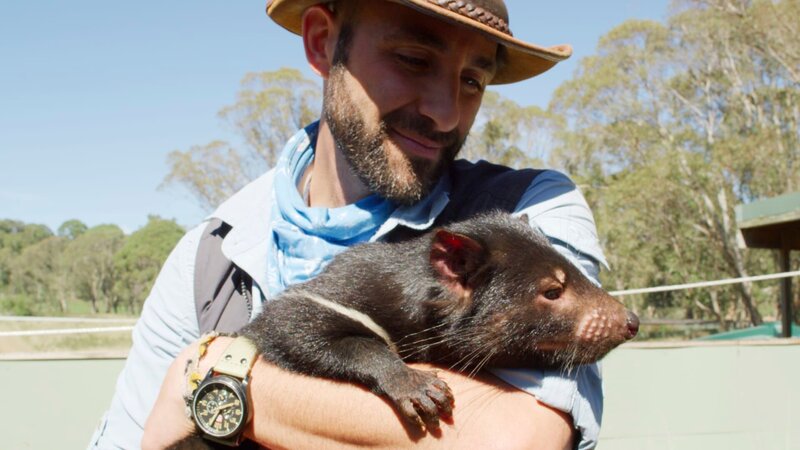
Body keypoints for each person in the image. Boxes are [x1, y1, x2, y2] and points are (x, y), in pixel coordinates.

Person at [89, 1, 608, 449]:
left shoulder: (527, 216)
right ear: (321, 42)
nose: (447, 114)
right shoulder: (209, 255)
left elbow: (519, 441)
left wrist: (215, 378)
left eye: (473, 81)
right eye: (413, 59)